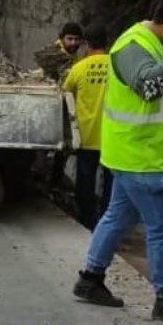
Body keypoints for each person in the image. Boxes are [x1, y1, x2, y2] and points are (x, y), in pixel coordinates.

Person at [72, 0, 163, 325]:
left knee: (118, 215)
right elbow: (150, 88)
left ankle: (91, 278)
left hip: (142, 156)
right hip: (142, 159)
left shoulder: (152, 46)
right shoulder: (133, 47)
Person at [61, 23, 112, 231]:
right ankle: (108, 222)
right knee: (110, 183)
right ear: (107, 43)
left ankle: (87, 220)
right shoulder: (117, 66)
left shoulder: (79, 68)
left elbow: (65, 93)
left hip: (86, 135)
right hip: (113, 137)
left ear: (85, 44)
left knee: (85, 181)